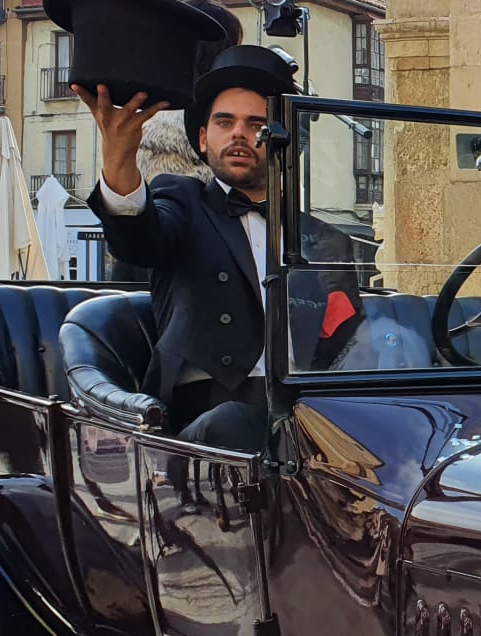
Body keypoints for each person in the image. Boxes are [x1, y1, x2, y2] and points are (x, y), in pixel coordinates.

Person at [80, 36, 359, 449]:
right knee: (234, 423)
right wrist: (119, 159)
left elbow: (349, 342)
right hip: (204, 420)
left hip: (308, 416)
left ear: (287, 142)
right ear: (204, 138)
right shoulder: (183, 200)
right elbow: (138, 239)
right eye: (225, 123)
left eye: (258, 125)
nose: (239, 135)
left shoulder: (325, 239)